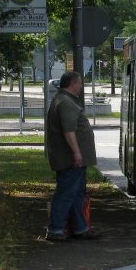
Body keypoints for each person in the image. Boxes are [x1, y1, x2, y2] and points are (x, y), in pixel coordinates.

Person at [45, 71, 99, 241]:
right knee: (66, 192)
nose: (81, 86)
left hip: (73, 159)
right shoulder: (66, 103)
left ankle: (80, 228)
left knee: (76, 194)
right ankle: (55, 229)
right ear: (72, 84)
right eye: (80, 83)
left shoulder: (64, 100)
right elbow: (69, 131)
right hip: (70, 159)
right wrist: (77, 153)